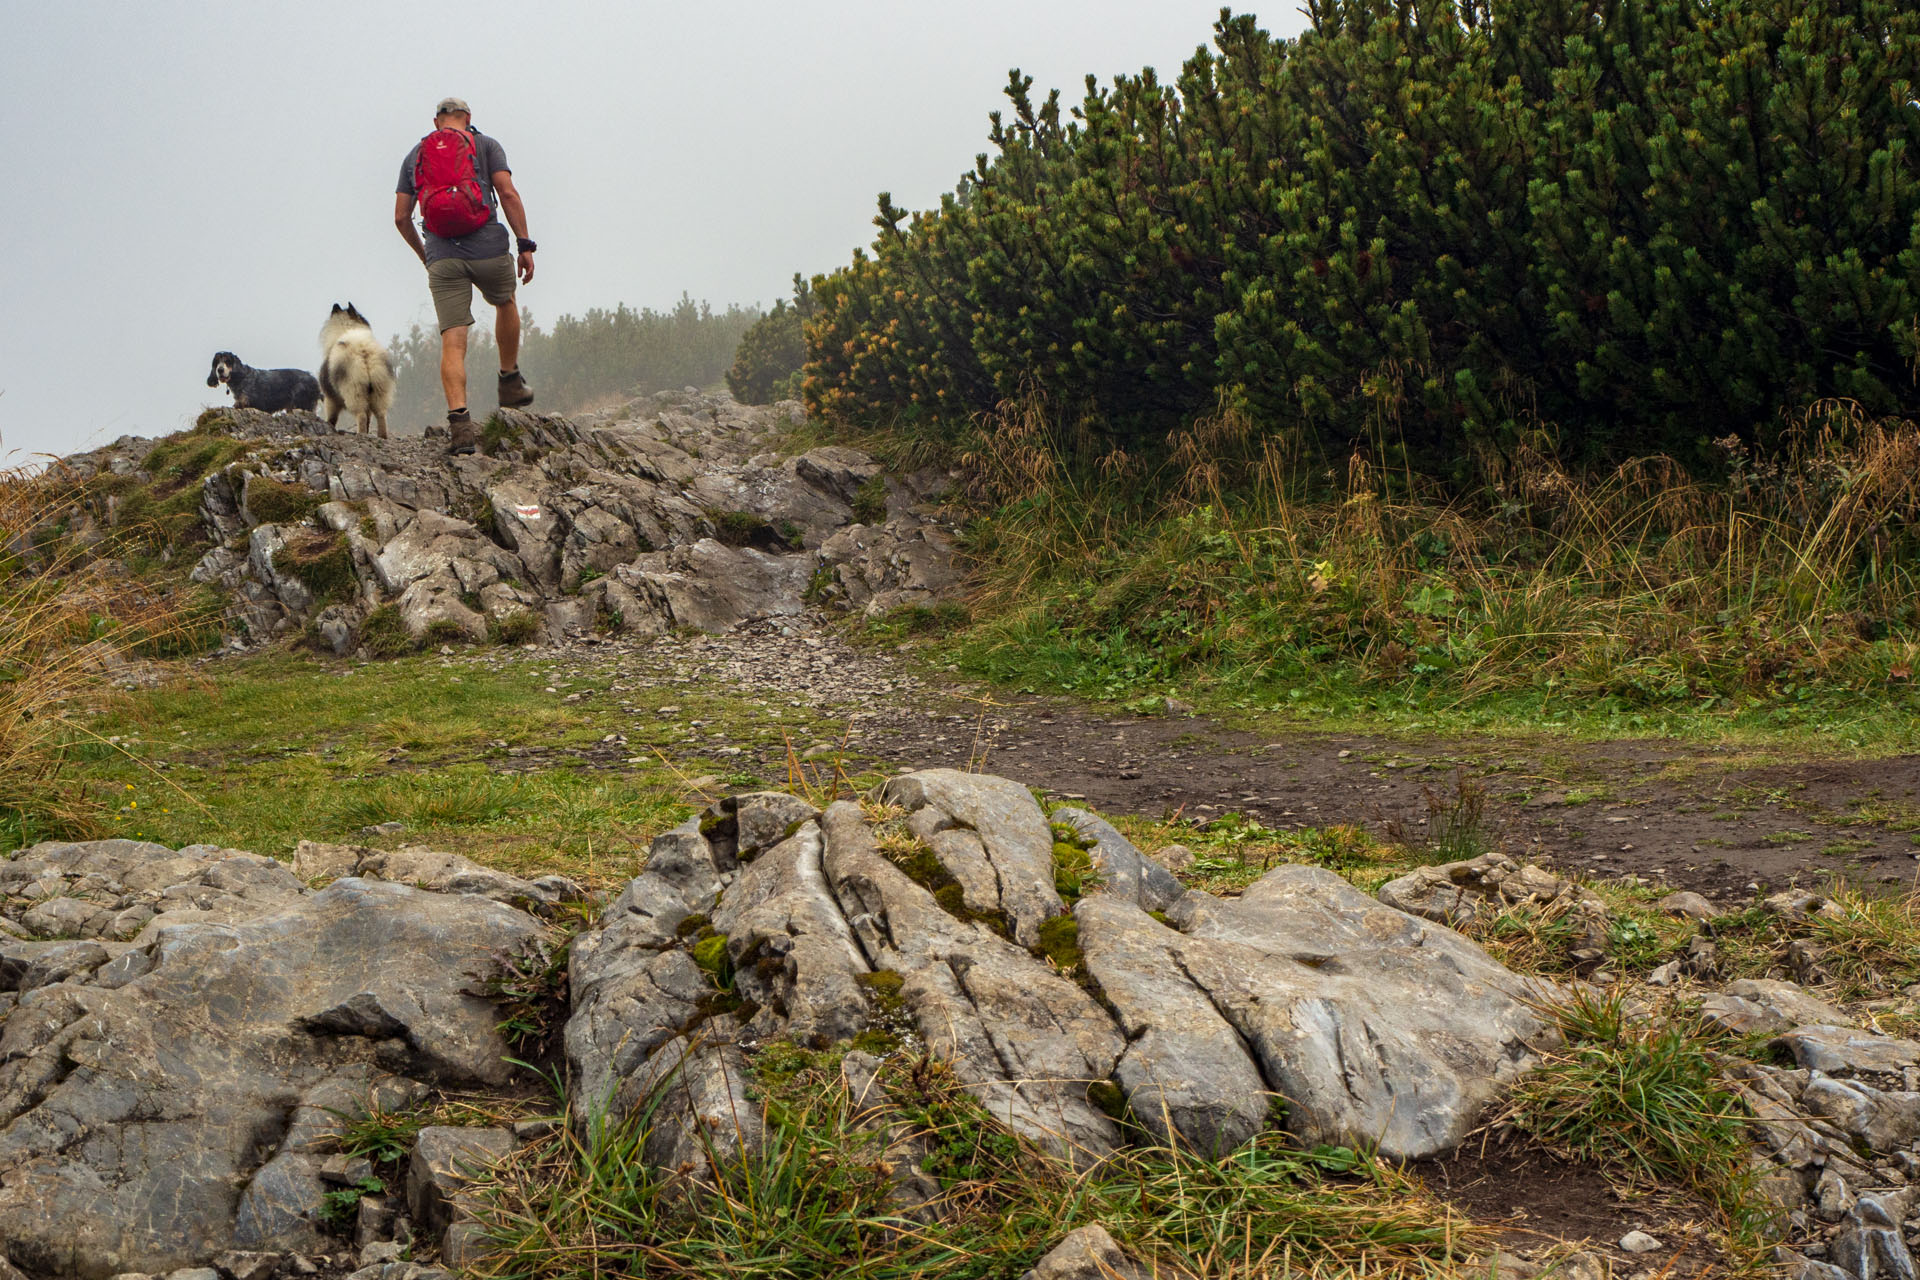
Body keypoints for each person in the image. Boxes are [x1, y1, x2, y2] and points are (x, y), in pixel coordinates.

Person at [393, 96, 537, 455]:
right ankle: (509, 381)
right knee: (505, 302)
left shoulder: (416, 155)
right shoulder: (486, 145)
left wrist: (427, 255)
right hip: (488, 246)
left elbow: (400, 216)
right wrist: (524, 244)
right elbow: (507, 193)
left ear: (436, 121)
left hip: (442, 256)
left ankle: (460, 429)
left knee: (453, 340)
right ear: (468, 117)